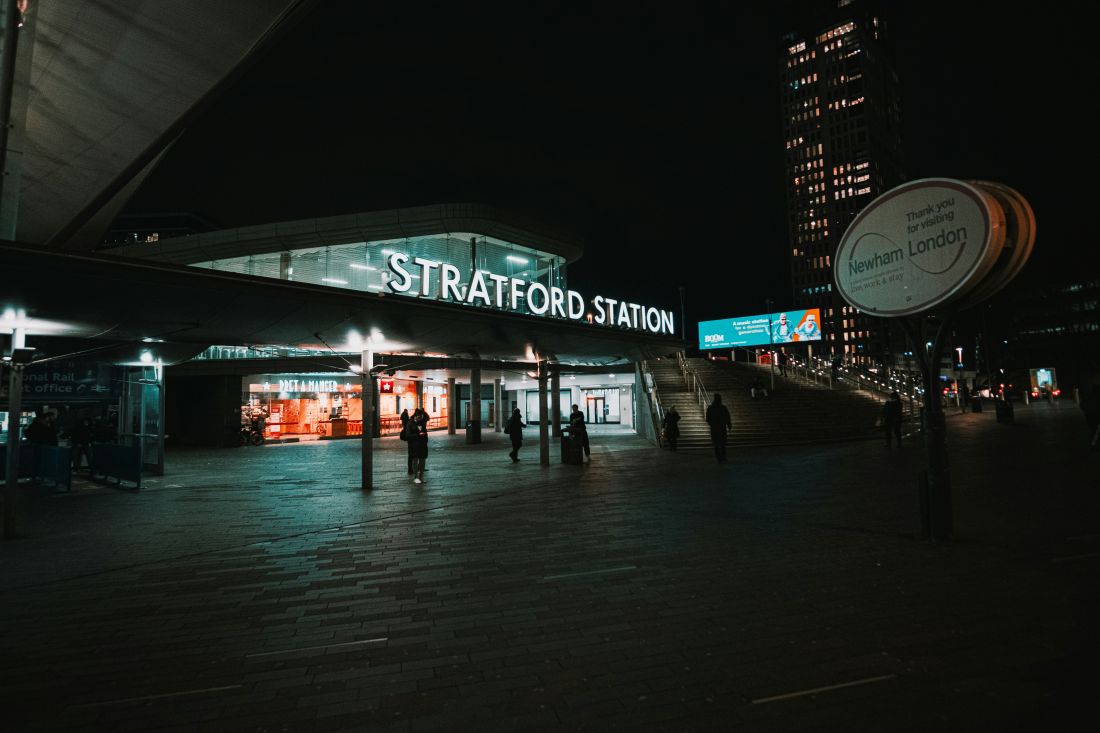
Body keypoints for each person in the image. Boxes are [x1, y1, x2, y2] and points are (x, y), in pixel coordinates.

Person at [705, 393, 731, 463]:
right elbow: (727, 417)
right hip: (722, 427)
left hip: (714, 428)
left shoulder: (710, 408)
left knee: (716, 443)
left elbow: (707, 418)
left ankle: (718, 457)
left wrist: (711, 424)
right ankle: (723, 456)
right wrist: (729, 425)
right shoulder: (723, 407)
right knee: (722, 443)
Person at [407, 408, 428, 483]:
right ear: (415, 416)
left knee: (422, 461)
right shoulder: (410, 423)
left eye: (421, 417)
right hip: (414, 446)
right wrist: (418, 435)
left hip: (422, 445)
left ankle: (421, 477)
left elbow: (425, 433)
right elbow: (408, 435)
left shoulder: (422, 423)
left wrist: (425, 441)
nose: (421, 418)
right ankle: (416, 477)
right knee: (415, 461)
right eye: (419, 417)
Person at [400, 408, 413, 474]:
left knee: (411, 456)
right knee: (412, 456)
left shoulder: (403, 414)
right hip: (412, 444)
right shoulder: (410, 424)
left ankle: (410, 469)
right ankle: (411, 469)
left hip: (411, 443)